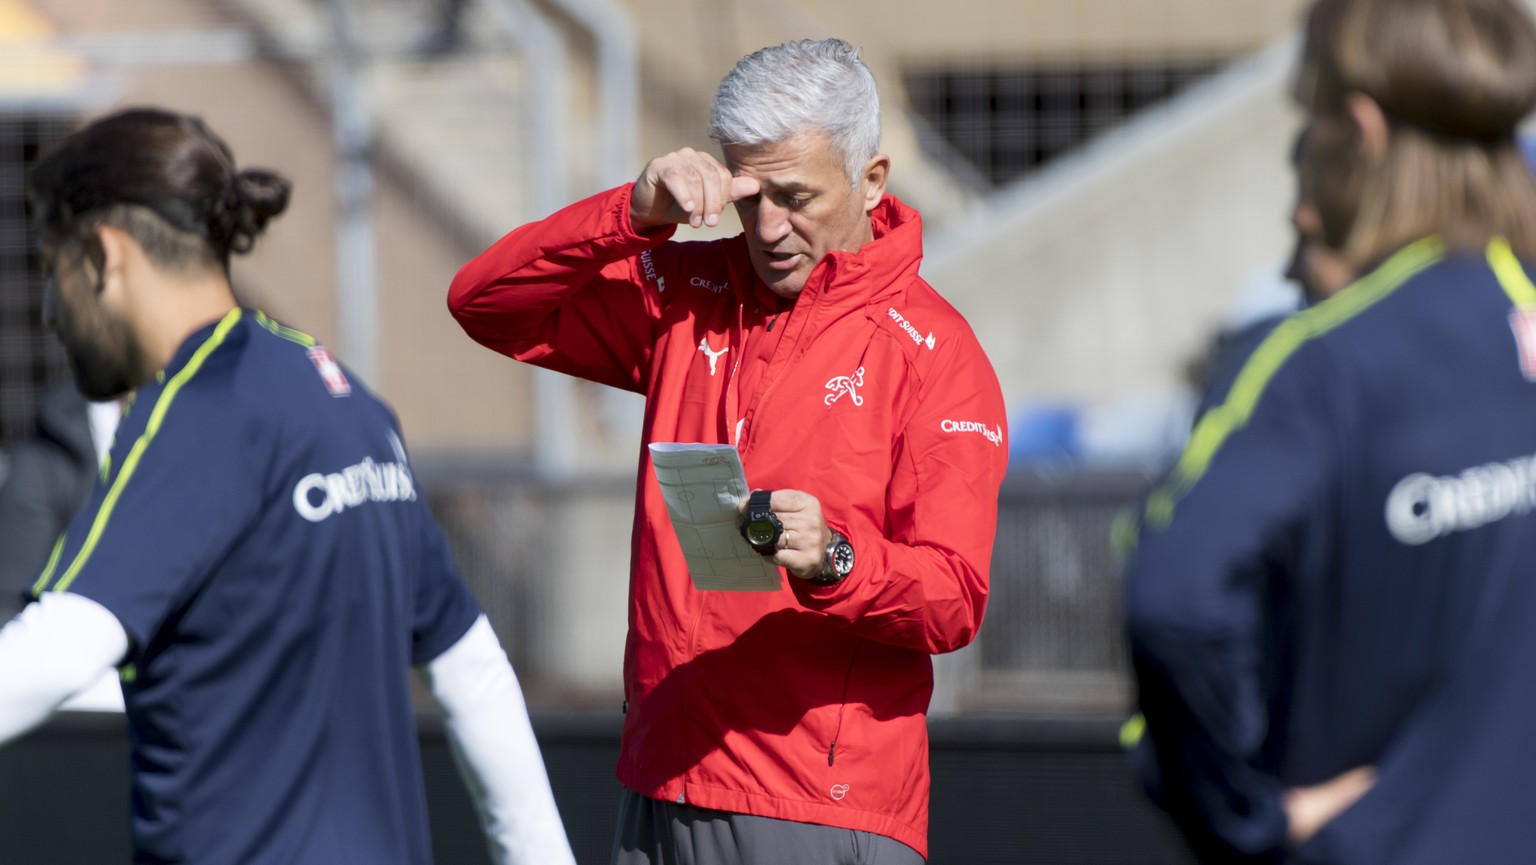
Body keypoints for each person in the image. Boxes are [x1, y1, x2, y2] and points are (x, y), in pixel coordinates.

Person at [448, 37, 1008, 864]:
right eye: (749, 198)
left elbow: (956, 597)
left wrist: (838, 560)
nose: (770, 228)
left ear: (872, 179)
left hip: (818, 807)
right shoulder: (687, 292)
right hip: (663, 773)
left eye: (796, 197)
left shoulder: (935, 353)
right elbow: (488, 303)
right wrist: (631, 214)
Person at [0, 107, 577, 865]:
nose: (50, 310)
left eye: (53, 268)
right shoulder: (341, 398)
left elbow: (60, 647)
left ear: (104, 254)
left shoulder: (194, 411)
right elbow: (473, 670)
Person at [1122, 1, 1536, 863]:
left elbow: (1173, 595)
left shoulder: (1323, 366)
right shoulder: (1507, 310)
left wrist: (1246, 817)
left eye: (1306, 121)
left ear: (1359, 129)